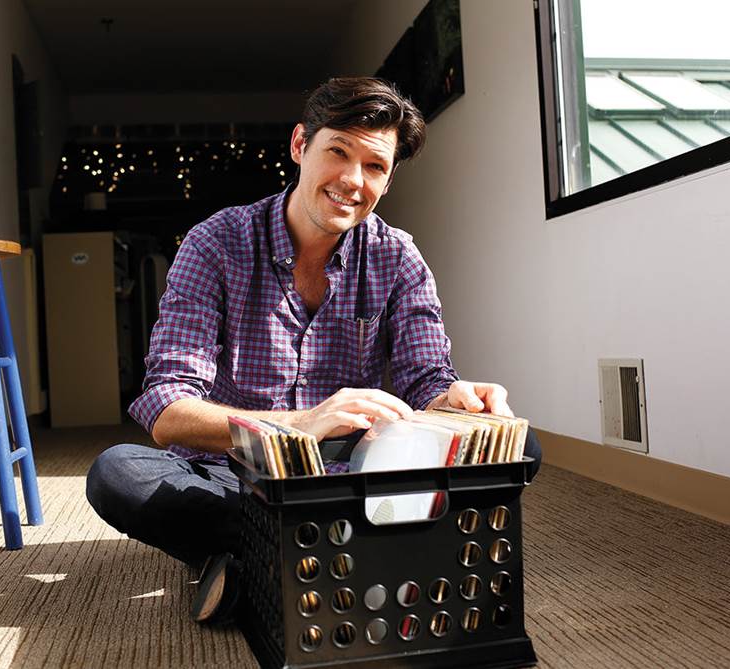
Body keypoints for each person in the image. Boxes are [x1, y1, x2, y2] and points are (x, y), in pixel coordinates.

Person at [86, 77, 542, 623]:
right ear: (301, 145)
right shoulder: (216, 243)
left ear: (389, 177)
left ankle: (260, 559)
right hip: (234, 475)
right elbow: (167, 409)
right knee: (117, 473)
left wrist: (457, 399)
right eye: (338, 152)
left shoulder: (397, 257)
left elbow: (427, 380)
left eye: (374, 167)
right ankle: (357, 551)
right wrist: (300, 423)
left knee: (520, 446)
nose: (352, 181)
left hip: (356, 472)